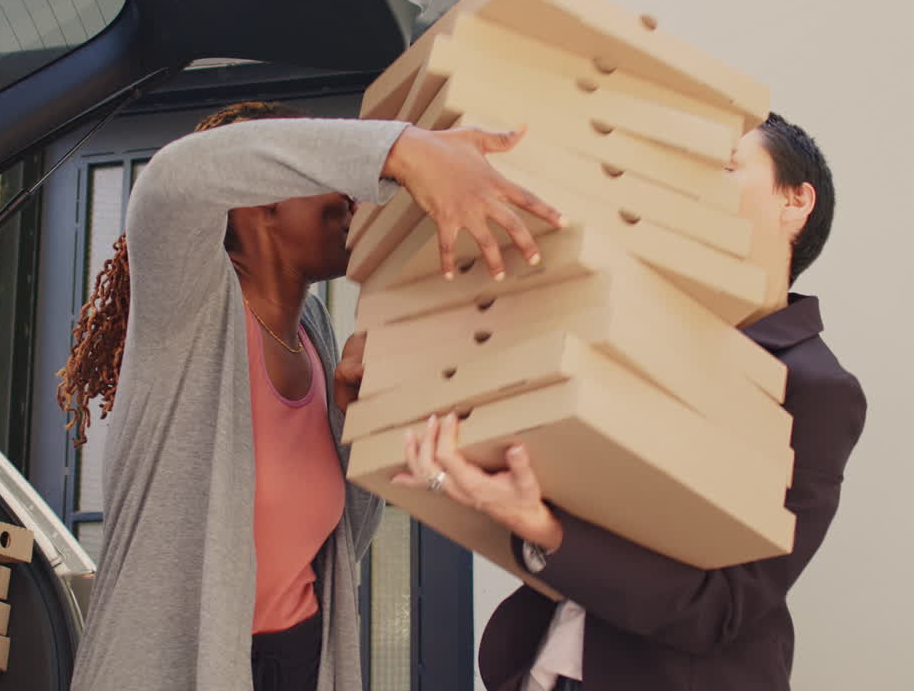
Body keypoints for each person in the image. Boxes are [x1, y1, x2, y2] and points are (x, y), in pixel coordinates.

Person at [58, 101, 565, 691]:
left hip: (297, 661)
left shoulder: (316, 336)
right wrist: (402, 150)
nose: (353, 198)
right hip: (178, 669)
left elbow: (342, 541)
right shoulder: (190, 312)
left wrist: (360, 426)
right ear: (260, 198)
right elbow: (173, 178)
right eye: (322, 178)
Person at [394, 111, 867, 691]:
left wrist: (544, 530)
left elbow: (727, 604)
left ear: (795, 201)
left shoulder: (816, 387)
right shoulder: (631, 333)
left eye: (725, 167)